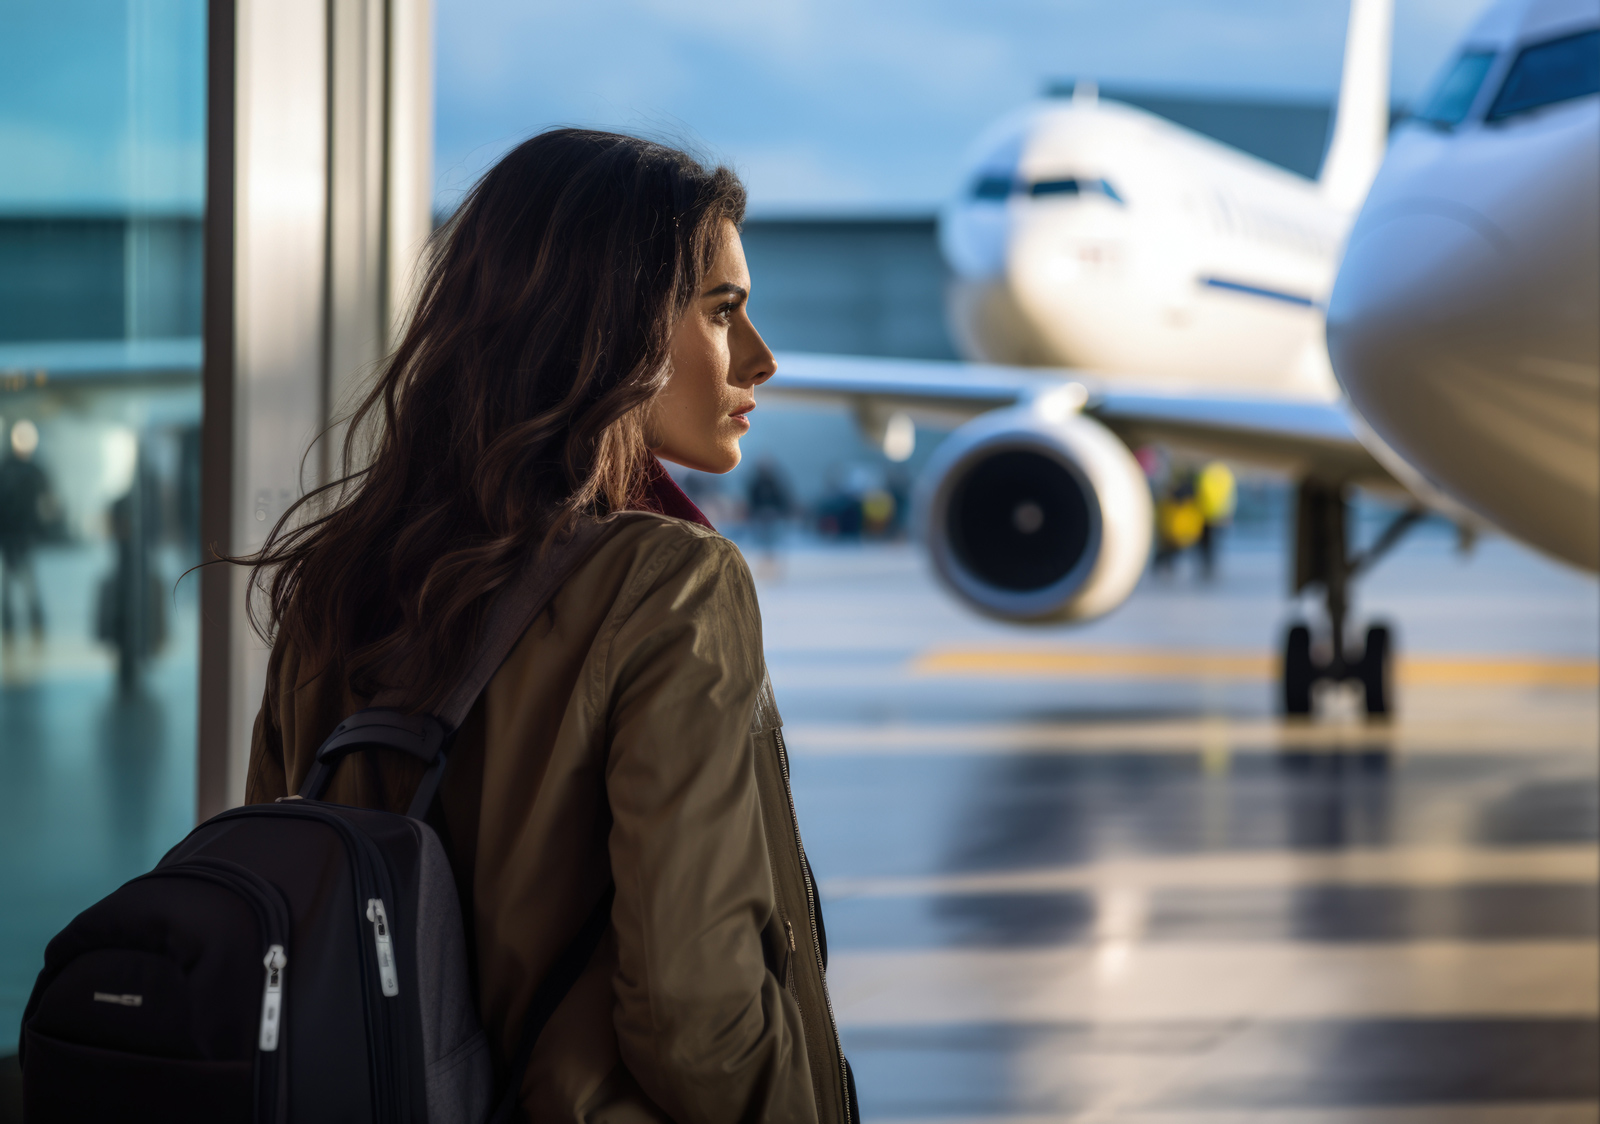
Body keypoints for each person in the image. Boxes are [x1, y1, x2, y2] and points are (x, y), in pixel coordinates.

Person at [238, 130, 856, 1121]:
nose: (761, 357)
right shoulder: (673, 587)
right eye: (722, 311)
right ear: (609, 328)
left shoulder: (336, 585)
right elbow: (697, 1017)